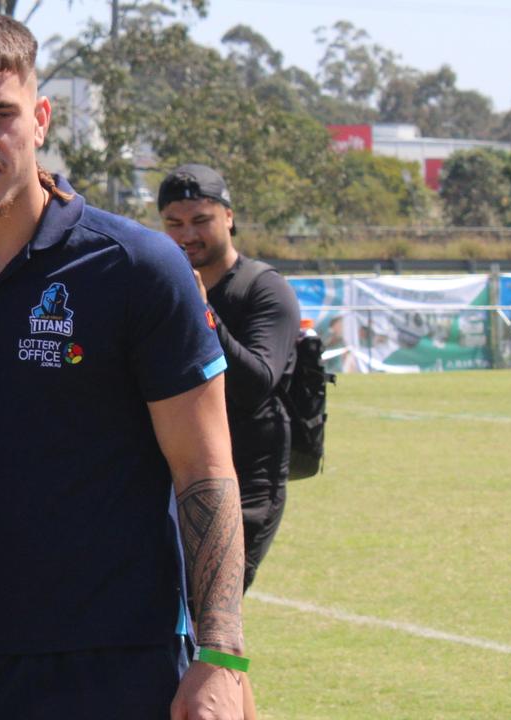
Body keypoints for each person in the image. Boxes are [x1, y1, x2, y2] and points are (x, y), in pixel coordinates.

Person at [0, 13, 247, 719]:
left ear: (40, 119)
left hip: (123, 654)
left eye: (2, 113)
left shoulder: (139, 266)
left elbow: (204, 470)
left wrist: (222, 655)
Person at [159, 165, 301, 716]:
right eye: (173, 223)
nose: (187, 234)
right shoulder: (165, 287)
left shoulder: (264, 290)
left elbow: (256, 384)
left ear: (229, 218)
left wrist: (203, 311)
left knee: (213, 624)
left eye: (201, 220)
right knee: (199, 627)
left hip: (247, 486)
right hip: (182, 478)